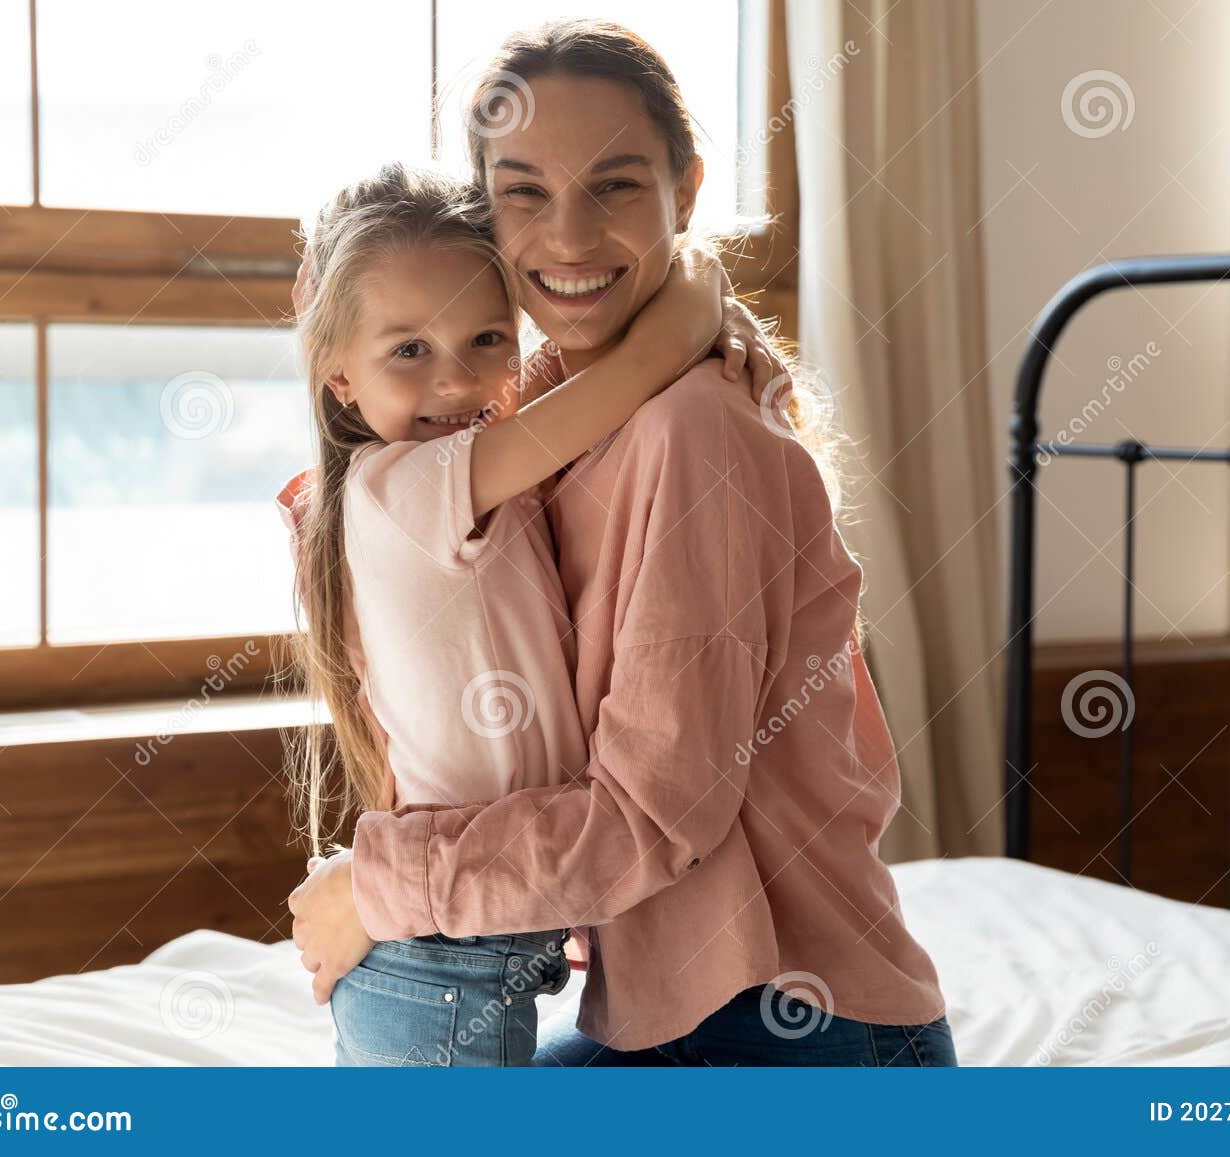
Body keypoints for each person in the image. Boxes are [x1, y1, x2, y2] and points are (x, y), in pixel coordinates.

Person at [290, 19, 956, 1067]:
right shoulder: (554, 408)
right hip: (676, 1017)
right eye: (523, 193)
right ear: (487, 223)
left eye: (615, 186)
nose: (567, 236)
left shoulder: (693, 432)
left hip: (799, 1024)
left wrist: (375, 885)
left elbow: (649, 823)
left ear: (685, 193)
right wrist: (695, 300)